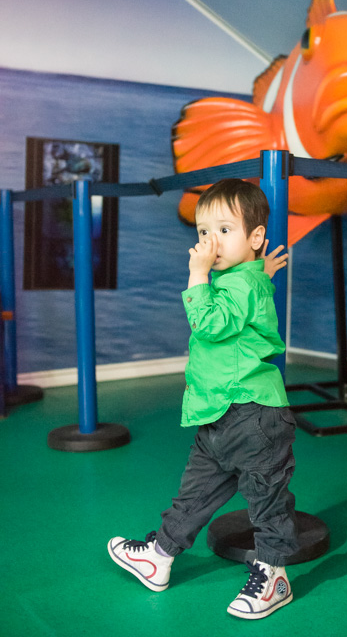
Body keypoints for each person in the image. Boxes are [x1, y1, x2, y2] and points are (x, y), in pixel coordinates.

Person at [108, 178, 298, 620]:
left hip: (252, 415)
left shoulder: (237, 284)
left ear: (255, 237)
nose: (211, 243)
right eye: (203, 232)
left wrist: (198, 274)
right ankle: (159, 556)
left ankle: (274, 576)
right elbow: (246, 292)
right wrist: (261, 270)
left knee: (266, 500)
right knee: (194, 494)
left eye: (224, 231)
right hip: (219, 413)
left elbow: (210, 324)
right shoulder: (243, 279)